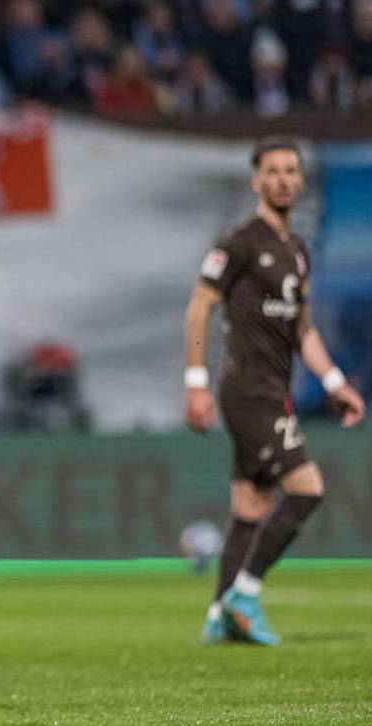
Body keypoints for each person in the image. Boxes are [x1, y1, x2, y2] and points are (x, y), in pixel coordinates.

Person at [184, 137, 364, 646]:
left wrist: (334, 384)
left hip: (273, 390)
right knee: (308, 488)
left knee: (249, 508)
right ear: (256, 181)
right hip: (247, 389)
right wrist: (195, 381)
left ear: (300, 182)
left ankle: (220, 615)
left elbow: (303, 328)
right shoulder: (239, 243)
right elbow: (200, 306)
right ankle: (245, 593)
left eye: (292, 171)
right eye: (274, 171)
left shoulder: (297, 251)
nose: (284, 179)